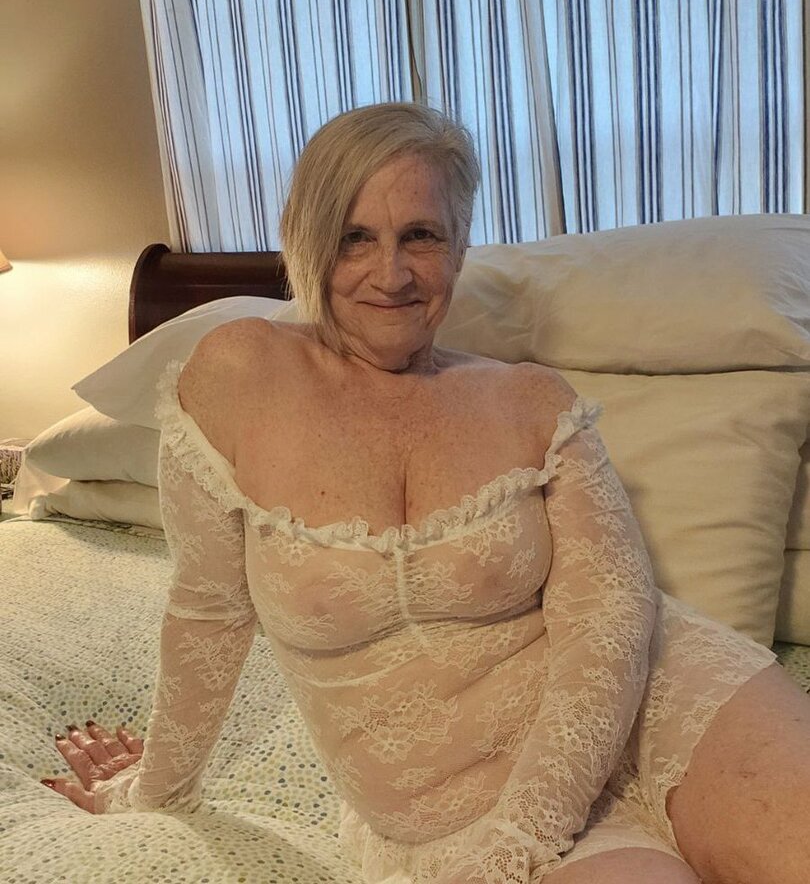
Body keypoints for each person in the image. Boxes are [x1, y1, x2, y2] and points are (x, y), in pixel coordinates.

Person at [42, 103, 810, 884]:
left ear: (460, 242)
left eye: (421, 235)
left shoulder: (530, 399)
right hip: (451, 809)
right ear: (306, 239)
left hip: (663, 701)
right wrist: (155, 789)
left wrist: (520, 838)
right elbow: (209, 610)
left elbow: (610, 618)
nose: (392, 274)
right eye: (354, 237)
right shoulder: (239, 372)